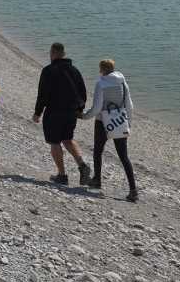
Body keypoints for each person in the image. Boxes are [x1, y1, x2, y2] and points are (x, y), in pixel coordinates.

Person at [32, 42, 91, 185]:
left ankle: (62, 175)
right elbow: (83, 93)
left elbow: (43, 94)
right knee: (68, 139)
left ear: (52, 53)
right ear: (64, 54)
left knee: (54, 142)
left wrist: (37, 113)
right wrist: (79, 110)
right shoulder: (75, 70)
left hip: (54, 112)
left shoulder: (48, 70)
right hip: (71, 112)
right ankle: (82, 165)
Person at [81, 59, 138, 202]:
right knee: (124, 156)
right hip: (119, 121)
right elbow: (129, 104)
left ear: (102, 69)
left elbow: (97, 107)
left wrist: (84, 116)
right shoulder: (122, 81)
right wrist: (128, 123)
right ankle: (133, 190)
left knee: (98, 151)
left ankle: (97, 180)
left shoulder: (101, 83)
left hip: (102, 121)